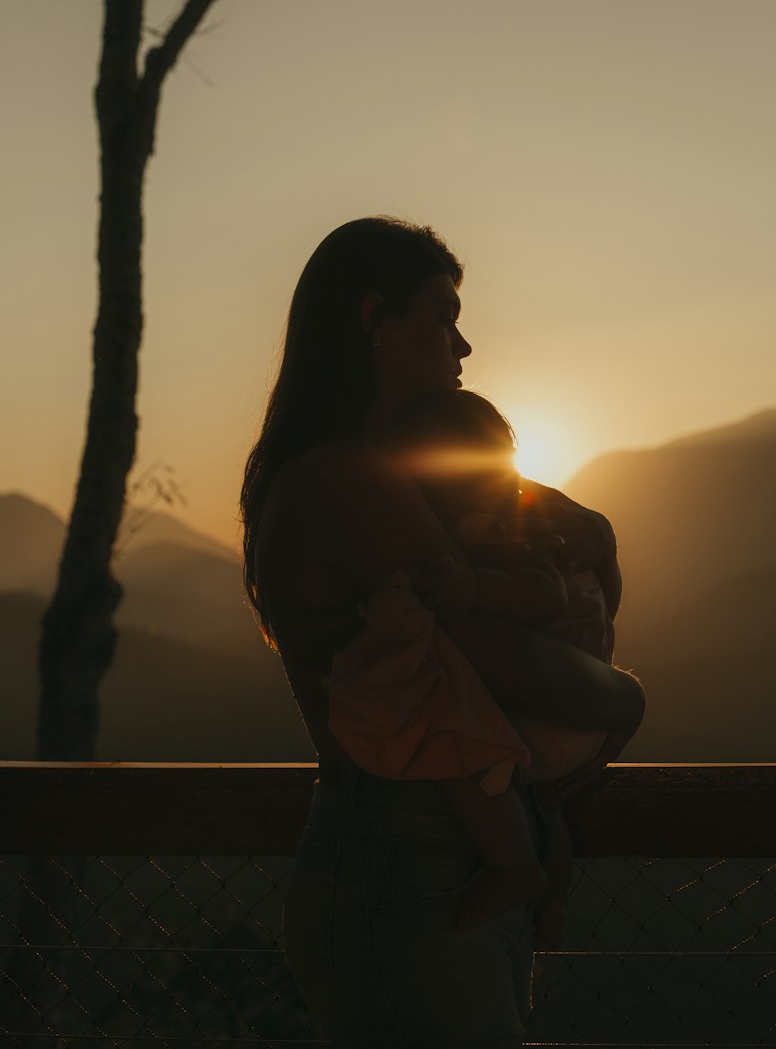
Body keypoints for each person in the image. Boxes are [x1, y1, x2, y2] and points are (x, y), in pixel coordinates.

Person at [241, 217, 645, 1049]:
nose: (462, 346)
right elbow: (499, 666)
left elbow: (567, 556)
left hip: (435, 858)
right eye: (443, 314)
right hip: (408, 864)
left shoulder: (380, 472)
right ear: (373, 319)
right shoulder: (347, 478)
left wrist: (585, 530)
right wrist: (625, 699)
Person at [323, 388, 633, 945]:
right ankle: (549, 910)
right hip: (575, 714)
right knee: (543, 804)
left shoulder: (498, 526)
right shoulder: (492, 515)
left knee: (455, 740)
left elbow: (547, 594)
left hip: (558, 715)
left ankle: (517, 870)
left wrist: (474, 588)